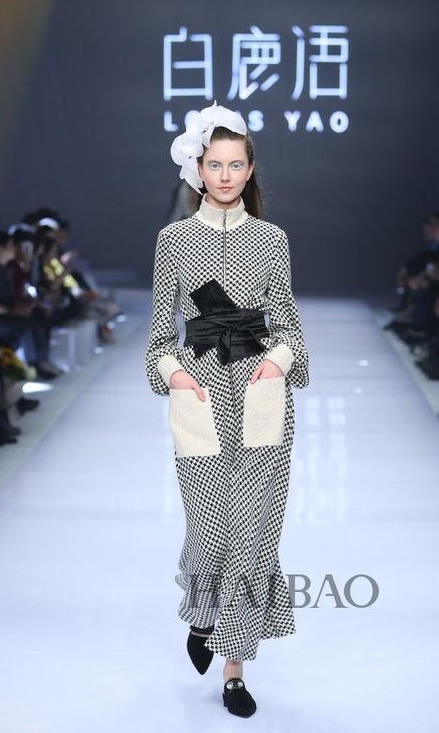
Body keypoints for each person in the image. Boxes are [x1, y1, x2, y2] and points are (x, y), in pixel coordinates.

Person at [145, 101, 309, 718]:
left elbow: (288, 323)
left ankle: (235, 673)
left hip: (262, 394)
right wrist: (175, 375)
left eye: (236, 165)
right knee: (209, 529)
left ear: (250, 169)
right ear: (197, 168)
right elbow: (160, 336)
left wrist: (280, 362)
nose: (225, 176)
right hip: (203, 393)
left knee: (251, 534)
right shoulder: (174, 241)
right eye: (214, 165)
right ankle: (203, 613)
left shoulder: (271, 239)